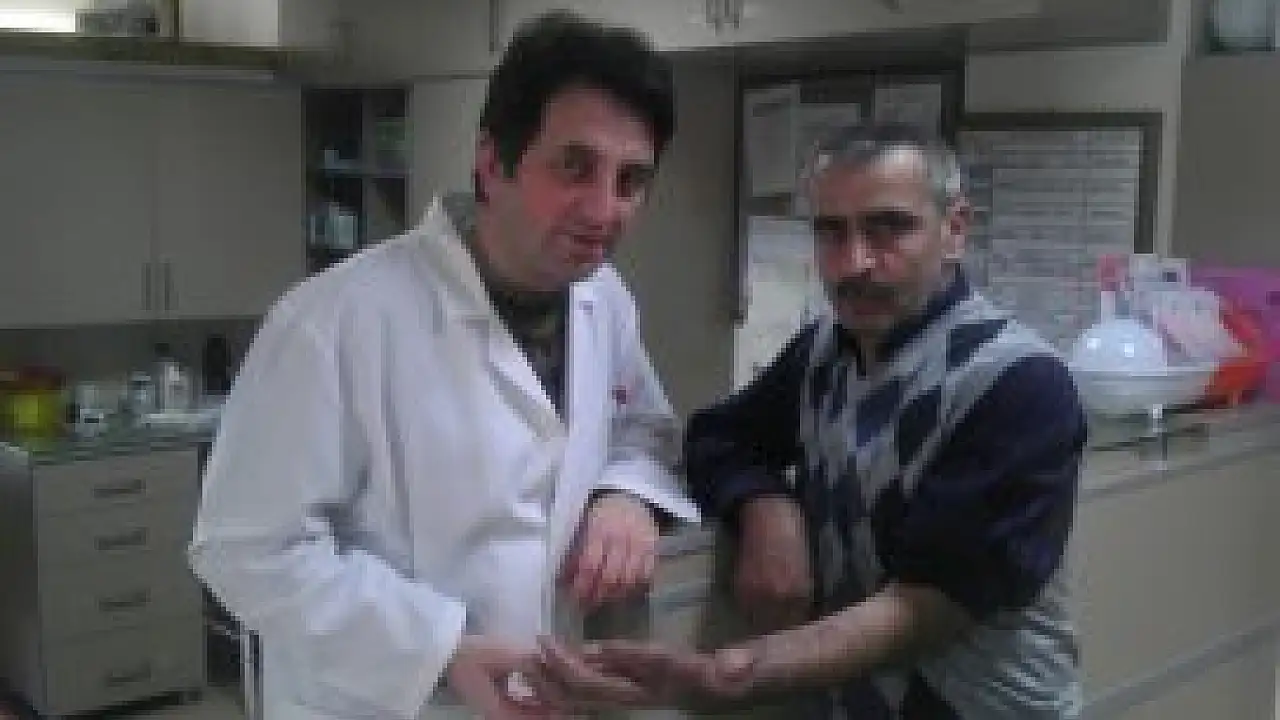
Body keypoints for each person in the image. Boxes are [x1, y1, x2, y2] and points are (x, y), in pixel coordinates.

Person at [188, 11, 698, 720]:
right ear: (492, 162)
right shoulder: (333, 322)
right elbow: (245, 549)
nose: (603, 209)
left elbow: (641, 425)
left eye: (631, 180)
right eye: (574, 166)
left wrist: (627, 497)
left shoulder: (603, 300)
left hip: (543, 694)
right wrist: (437, 647)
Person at [535, 124, 1088, 719]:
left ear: (954, 230)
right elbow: (719, 436)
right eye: (831, 232)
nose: (855, 263)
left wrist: (726, 676)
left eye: (888, 228)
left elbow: (926, 608)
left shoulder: (1019, 383)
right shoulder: (828, 348)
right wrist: (767, 508)